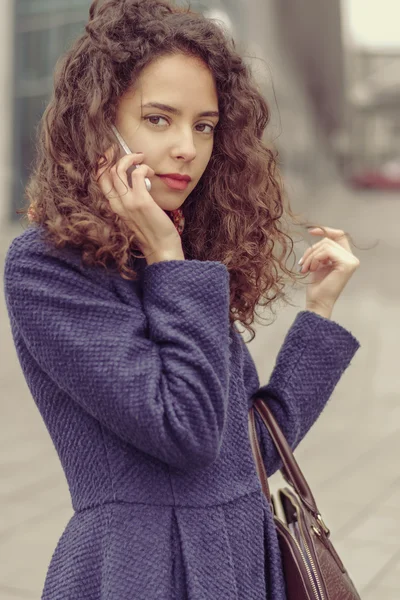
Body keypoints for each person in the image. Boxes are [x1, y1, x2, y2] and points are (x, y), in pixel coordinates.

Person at [3, 0, 361, 598]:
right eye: (159, 118)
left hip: (245, 563)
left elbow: (249, 455)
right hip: (145, 569)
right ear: (99, 123)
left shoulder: (179, 261)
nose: (188, 148)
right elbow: (185, 431)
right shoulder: (46, 267)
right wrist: (171, 261)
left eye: (204, 125)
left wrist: (318, 315)